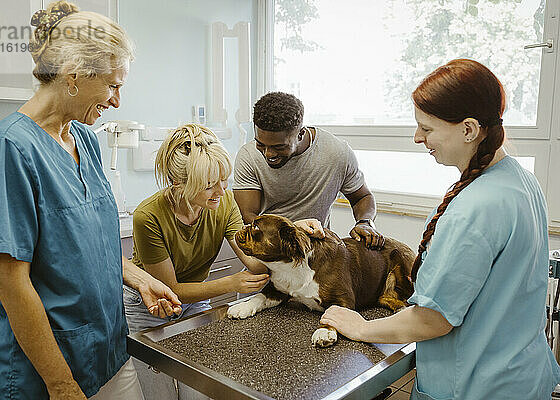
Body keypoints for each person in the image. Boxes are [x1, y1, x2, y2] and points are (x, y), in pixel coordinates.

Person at [0, 2, 181, 399]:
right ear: (73, 77)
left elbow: (84, 243)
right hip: (45, 370)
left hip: (106, 349)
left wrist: (140, 278)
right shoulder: (9, 148)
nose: (117, 101)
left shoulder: (84, 138)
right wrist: (62, 385)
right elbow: (9, 281)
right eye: (113, 85)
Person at [320, 59, 560, 399]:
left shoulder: (474, 209)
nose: (418, 138)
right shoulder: (521, 181)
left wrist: (361, 327)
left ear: (469, 129)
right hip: (520, 376)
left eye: (427, 128)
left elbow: (433, 320)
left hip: (475, 386)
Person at [123, 123, 321, 399]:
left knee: (200, 391)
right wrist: (231, 283)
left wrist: (294, 234)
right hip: (150, 306)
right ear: (180, 184)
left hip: (196, 302)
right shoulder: (149, 217)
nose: (220, 190)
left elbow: (253, 263)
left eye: (223, 180)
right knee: (161, 394)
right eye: (208, 185)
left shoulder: (224, 202)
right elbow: (171, 289)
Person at [233, 91, 384, 249]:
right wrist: (293, 231)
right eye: (261, 144)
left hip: (319, 252)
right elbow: (248, 216)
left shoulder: (337, 153)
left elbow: (362, 197)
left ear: (300, 134)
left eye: (279, 147)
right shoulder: (248, 156)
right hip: (271, 252)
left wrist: (365, 222)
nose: (268, 153)